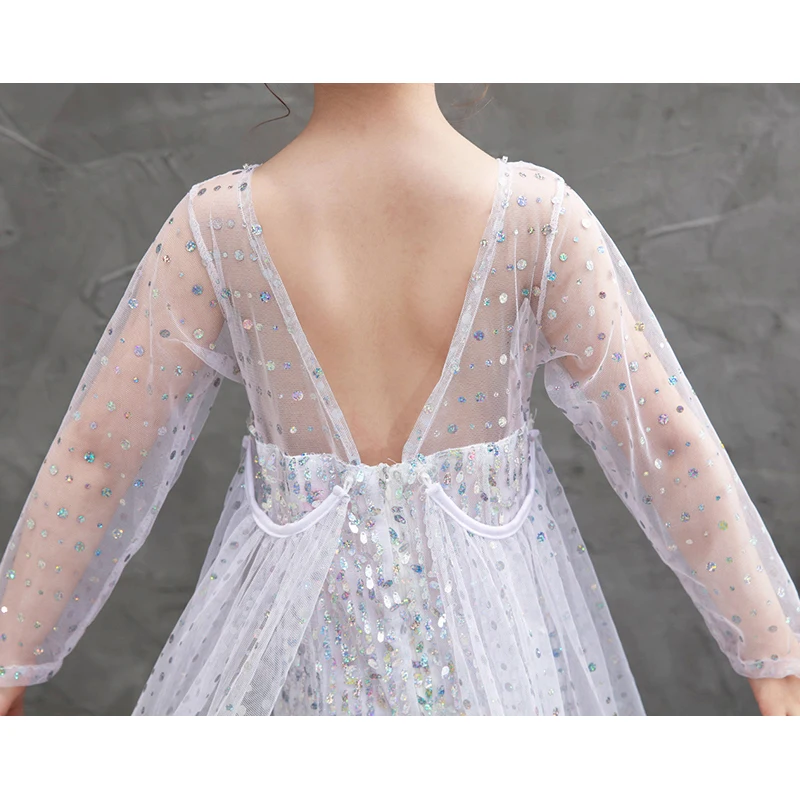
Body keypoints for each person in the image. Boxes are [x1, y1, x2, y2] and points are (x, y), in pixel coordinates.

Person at [2, 84, 799, 716]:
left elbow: (99, 459)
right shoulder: (537, 218)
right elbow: (663, 440)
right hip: (494, 657)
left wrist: (11, 654)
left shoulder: (216, 227)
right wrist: (773, 653)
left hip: (290, 660)